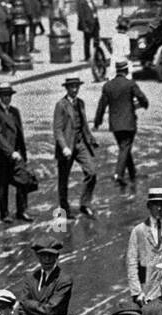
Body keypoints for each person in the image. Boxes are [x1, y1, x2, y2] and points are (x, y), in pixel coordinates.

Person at [53, 76, 97, 218]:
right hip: (67, 146)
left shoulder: (81, 103)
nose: (75, 89)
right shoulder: (61, 105)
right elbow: (57, 129)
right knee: (63, 179)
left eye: (77, 86)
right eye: (72, 86)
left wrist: (91, 139)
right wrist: (64, 147)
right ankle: (64, 209)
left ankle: (84, 203)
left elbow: (84, 125)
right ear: (66, 88)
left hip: (80, 144)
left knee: (91, 172)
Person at [0, 83, 30, 224]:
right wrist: (11, 152)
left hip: (17, 154)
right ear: (0, 97)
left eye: (9, 95)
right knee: (3, 184)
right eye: (4, 96)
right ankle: (4, 213)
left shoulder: (15, 112)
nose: (7, 98)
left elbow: (20, 133)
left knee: (22, 181)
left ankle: (21, 210)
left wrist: (22, 153)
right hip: (2, 156)